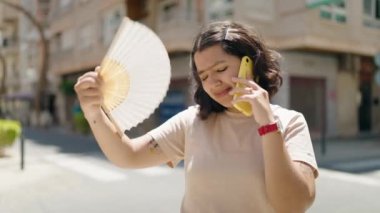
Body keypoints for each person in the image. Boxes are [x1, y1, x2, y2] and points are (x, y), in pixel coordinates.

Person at [74, 21, 318, 213]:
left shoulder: (289, 122)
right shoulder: (192, 121)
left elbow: (292, 206)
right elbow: (128, 155)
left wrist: (267, 125)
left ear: (250, 64)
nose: (213, 82)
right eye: (204, 75)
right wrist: (93, 111)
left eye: (221, 69)